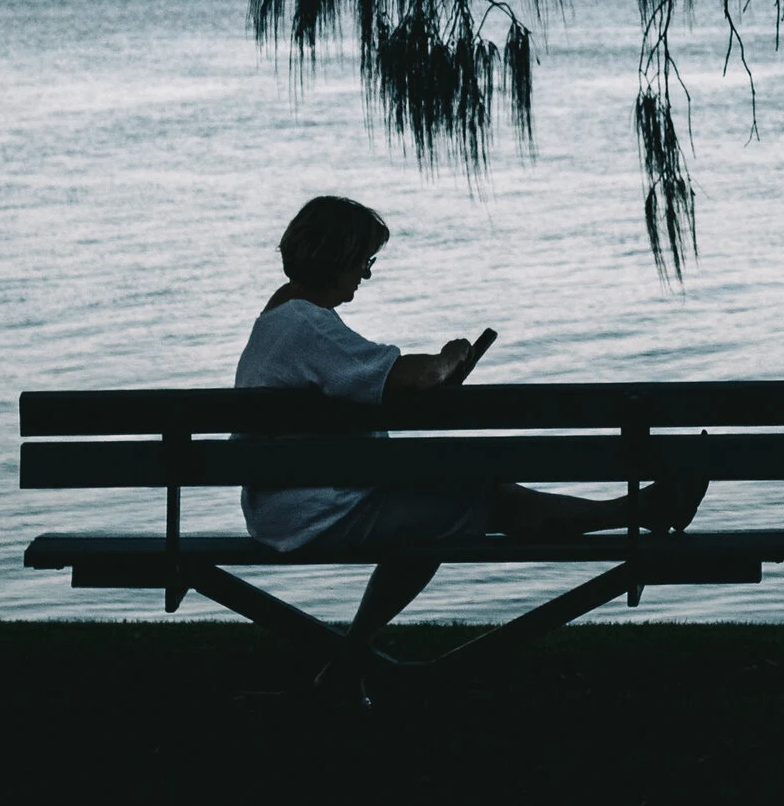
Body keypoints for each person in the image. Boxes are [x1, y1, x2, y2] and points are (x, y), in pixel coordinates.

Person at [237, 195, 707, 657]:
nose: (367, 272)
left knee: (454, 505)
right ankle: (645, 509)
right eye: (364, 259)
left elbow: (358, 386)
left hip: (287, 503)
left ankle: (347, 663)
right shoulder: (307, 326)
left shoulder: (278, 320)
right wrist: (450, 356)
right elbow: (416, 375)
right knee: (484, 499)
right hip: (314, 511)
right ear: (336, 256)